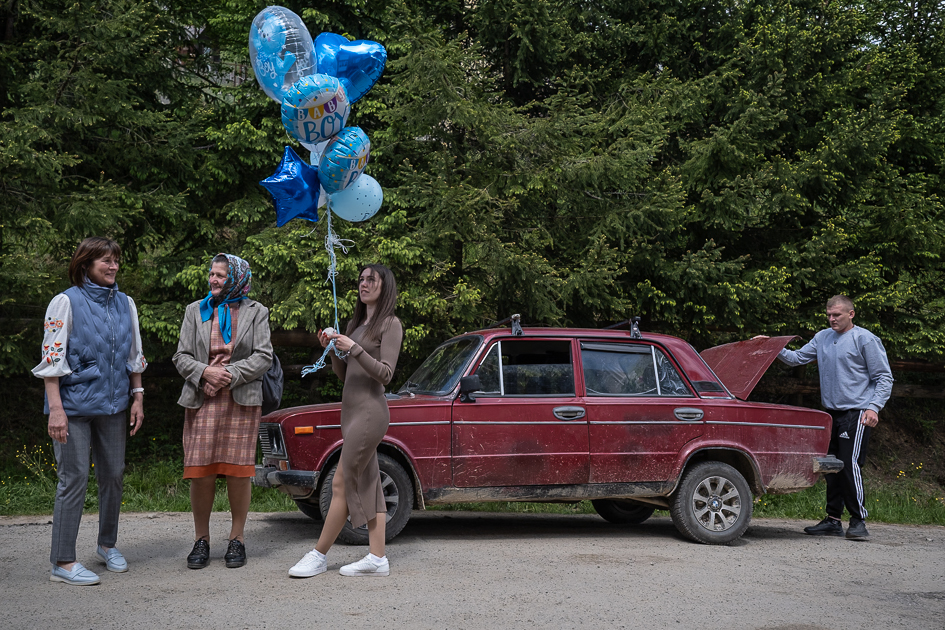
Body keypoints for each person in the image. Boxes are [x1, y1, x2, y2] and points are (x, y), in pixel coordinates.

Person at [32, 237, 148, 586]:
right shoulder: (65, 302)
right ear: (86, 264)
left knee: (113, 475)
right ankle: (62, 561)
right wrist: (56, 410)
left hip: (113, 405)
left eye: (116, 260)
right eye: (105, 261)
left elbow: (134, 354)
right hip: (72, 407)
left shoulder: (126, 303)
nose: (113, 266)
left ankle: (107, 545)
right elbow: (52, 361)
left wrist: (138, 396)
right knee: (74, 477)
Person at [289, 263, 403, 578]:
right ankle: (377, 557)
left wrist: (355, 348)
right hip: (350, 412)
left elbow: (386, 374)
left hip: (370, 412)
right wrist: (333, 349)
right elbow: (344, 374)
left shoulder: (390, 324)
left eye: (371, 280)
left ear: (385, 286)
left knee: (340, 481)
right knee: (369, 482)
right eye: (361, 279)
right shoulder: (355, 324)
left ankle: (318, 555)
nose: (363, 284)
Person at [173, 254, 273, 569]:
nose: (213, 280)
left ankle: (237, 538)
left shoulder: (257, 312)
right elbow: (181, 356)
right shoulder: (195, 310)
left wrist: (227, 374)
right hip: (202, 398)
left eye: (220, 275)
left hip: (240, 401)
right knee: (200, 472)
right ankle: (201, 539)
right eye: (212, 274)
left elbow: (263, 356)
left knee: (238, 473)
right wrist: (205, 372)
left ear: (236, 279)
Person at [769, 295, 893, 540]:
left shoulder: (865, 339)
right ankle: (833, 520)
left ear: (851, 314)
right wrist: (771, 347)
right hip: (830, 413)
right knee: (832, 467)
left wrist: (874, 407)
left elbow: (884, 377)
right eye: (829, 315)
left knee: (848, 464)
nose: (832, 319)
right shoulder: (823, 337)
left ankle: (858, 521)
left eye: (837, 315)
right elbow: (797, 358)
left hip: (857, 412)